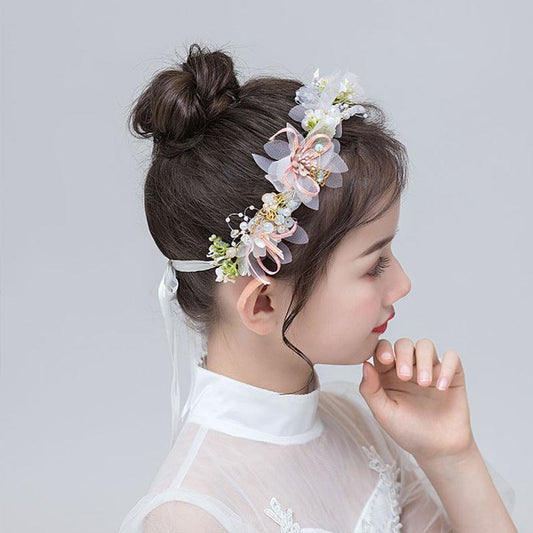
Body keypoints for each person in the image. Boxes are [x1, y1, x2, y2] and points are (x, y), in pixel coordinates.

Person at [118, 42, 516, 532]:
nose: (404, 284)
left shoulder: (362, 427)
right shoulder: (192, 515)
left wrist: (452, 456)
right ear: (263, 303)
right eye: (374, 265)